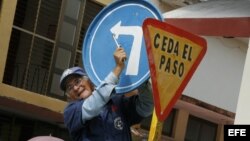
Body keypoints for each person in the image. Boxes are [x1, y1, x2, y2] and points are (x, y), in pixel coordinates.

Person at [59, 47, 153, 141]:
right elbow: (93, 104)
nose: (75, 88)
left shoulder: (117, 101)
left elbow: (146, 106)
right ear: (69, 95)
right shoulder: (71, 112)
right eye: (70, 88)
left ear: (89, 80)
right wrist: (118, 68)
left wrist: (141, 81)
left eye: (77, 81)